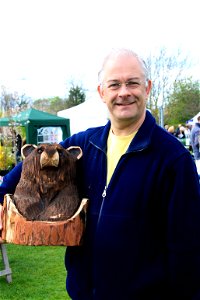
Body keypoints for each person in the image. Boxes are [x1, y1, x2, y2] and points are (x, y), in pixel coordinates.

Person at [0, 48, 200, 299]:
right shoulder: (82, 146)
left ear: (147, 88)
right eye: (114, 84)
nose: (124, 92)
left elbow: (188, 249)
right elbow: (22, 173)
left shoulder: (173, 159)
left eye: (132, 83)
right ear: (101, 92)